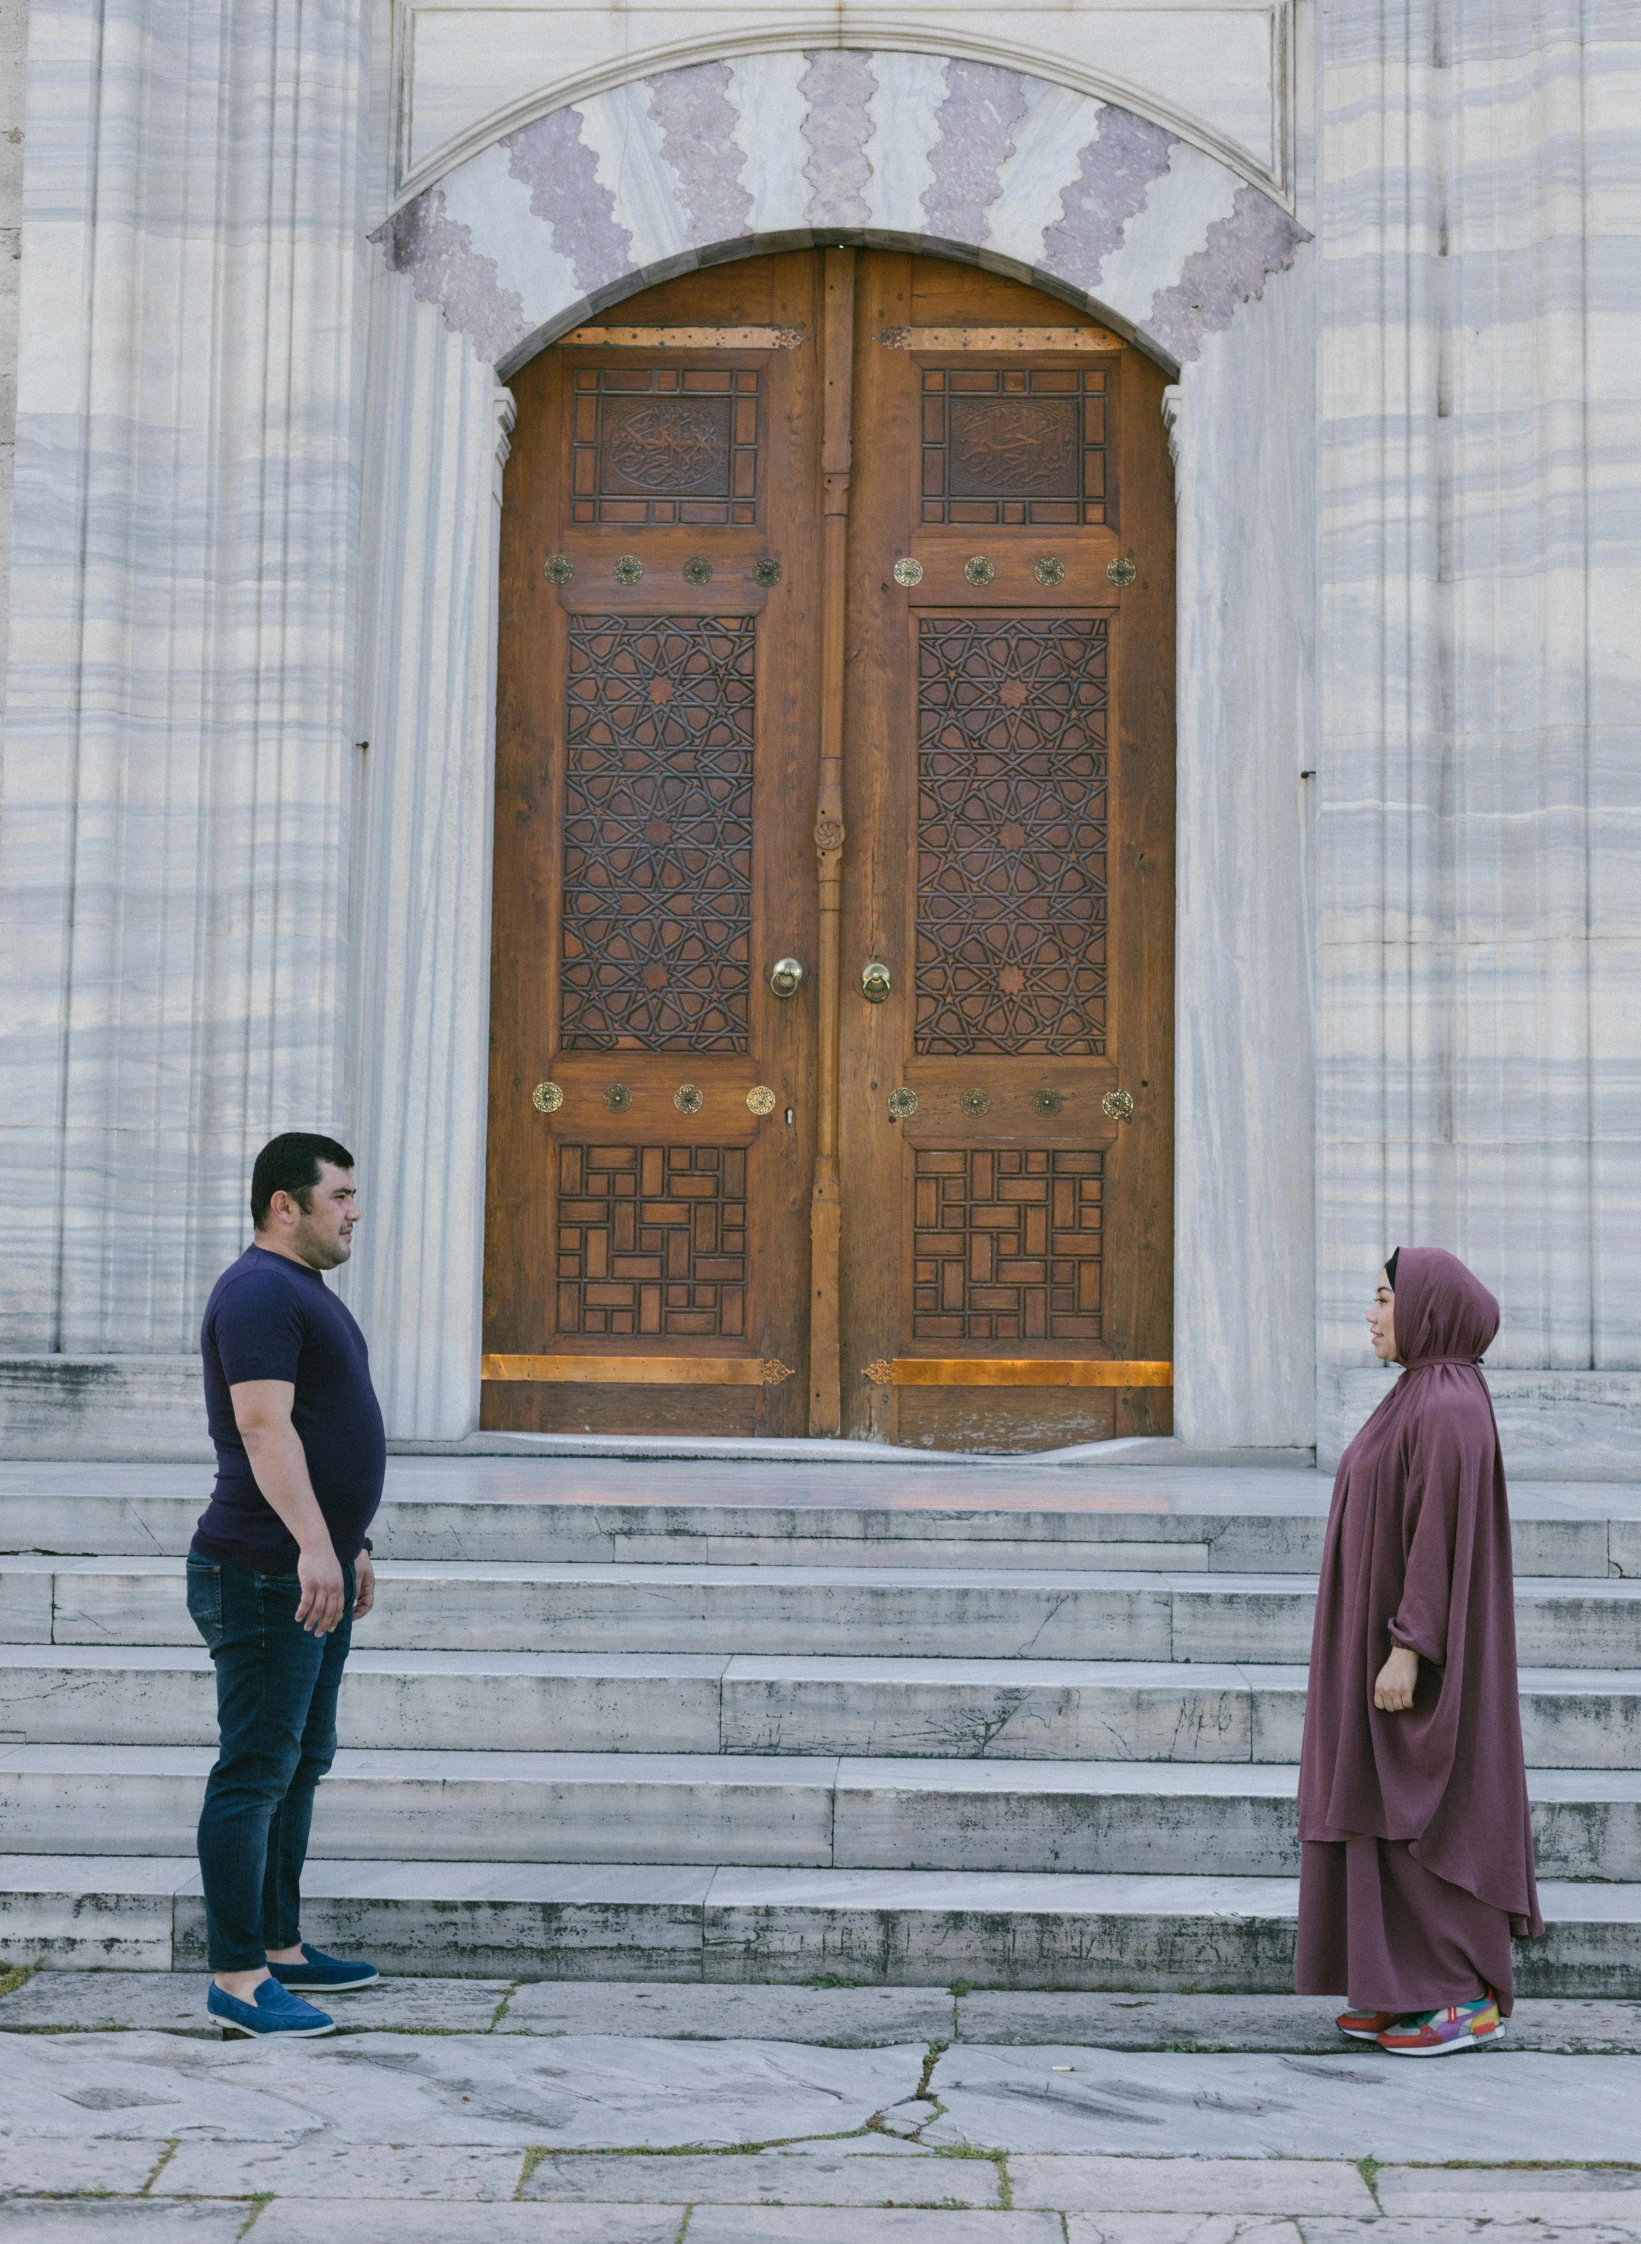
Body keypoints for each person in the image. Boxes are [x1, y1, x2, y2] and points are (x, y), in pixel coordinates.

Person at [1296, 1247, 1543, 2054]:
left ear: (1426, 1307)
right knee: (1377, 1801)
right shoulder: (1418, 1394)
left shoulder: (1444, 1406)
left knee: (1426, 1806)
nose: (1369, 1316)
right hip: (1375, 1635)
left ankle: (1460, 1995)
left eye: (1381, 1299)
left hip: (1410, 1652)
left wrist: (1409, 1647)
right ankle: (1397, 1985)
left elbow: (1437, 1537)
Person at [187, 1132, 386, 2038]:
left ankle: (279, 1946)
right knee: (255, 1772)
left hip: (309, 1564)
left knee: (300, 1762)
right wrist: (314, 1543)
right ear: (285, 1204)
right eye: (339, 1195)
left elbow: (321, 1426)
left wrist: (350, 1541)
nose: (353, 1212)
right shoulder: (261, 1291)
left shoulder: (299, 1292)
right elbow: (265, 1430)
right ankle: (235, 1979)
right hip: (265, 1572)